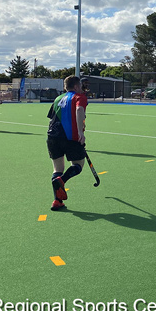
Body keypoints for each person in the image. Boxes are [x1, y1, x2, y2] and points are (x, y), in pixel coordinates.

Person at [46, 76, 89, 211]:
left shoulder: (58, 98)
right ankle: (62, 180)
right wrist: (80, 132)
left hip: (52, 136)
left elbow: (51, 117)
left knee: (57, 169)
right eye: (80, 85)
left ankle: (57, 201)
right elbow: (79, 110)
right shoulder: (79, 96)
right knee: (78, 165)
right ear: (76, 86)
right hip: (70, 137)